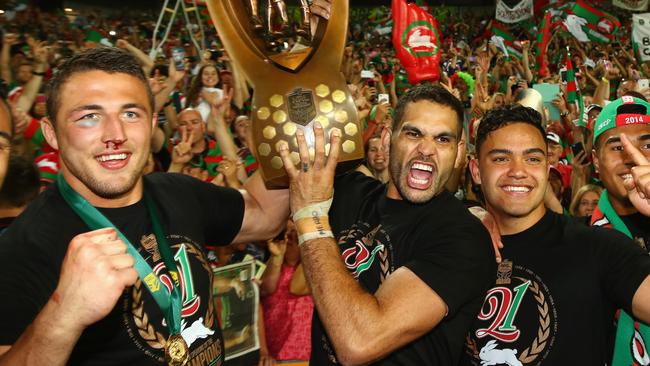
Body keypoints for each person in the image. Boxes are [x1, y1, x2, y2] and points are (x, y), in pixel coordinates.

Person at [0, 47, 288, 365]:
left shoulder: (178, 191)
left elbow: (265, 215)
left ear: (152, 123)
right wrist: (64, 313)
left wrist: (301, 127)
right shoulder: (22, 247)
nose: (115, 134)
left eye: (130, 114)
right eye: (89, 117)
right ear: (52, 133)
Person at [278, 84, 496, 365]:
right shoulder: (349, 192)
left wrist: (311, 218)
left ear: (458, 153)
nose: (427, 149)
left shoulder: (464, 237)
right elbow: (256, 213)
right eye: (413, 133)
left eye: (443, 139)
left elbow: (359, 341)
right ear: (386, 139)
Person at [462, 104, 650, 365]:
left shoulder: (598, 247)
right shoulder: (452, 246)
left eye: (533, 158)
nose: (518, 170)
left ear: (548, 167)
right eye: (501, 158)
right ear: (475, 171)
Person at [589, 96, 650, 365]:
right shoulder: (577, 239)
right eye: (617, 146)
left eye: (647, 144)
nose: (633, 157)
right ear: (595, 161)